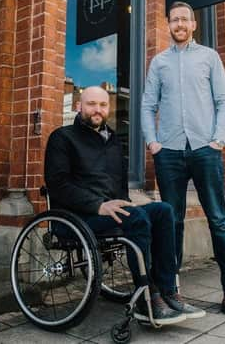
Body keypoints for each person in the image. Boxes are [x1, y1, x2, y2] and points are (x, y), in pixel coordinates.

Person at [44, 86, 205, 324]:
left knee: (163, 210)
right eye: (91, 104)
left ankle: (168, 290)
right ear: (78, 106)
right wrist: (98, 205)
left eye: (103, 105)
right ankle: (146, 297)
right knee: (135, 217)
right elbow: (57, 184)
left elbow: (119, 187)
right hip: (77, 217)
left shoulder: (113, 142)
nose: (97, 110)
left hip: (111, 212)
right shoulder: (62, 137)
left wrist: (123, 204)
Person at [141, 1, 225, 314]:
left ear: (193, 24)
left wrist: (218, 140)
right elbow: (147, 105)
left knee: (218, 220)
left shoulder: (209, 57)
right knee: (172, 222)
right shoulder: (159, 63)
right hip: (169, 152)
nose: (180, 24)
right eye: (175, 20)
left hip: (205, 149)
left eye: (185, 19)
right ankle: (172, 290)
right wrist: (153, 143)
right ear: (168, 25)